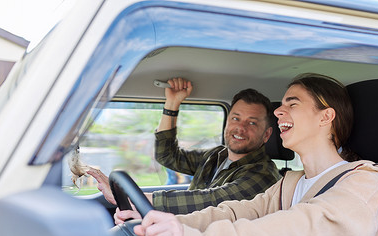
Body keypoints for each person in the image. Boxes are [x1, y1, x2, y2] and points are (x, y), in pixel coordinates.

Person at [132, 73, 378, 236]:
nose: (279, 111)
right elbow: (235, 212)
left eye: (293, 103)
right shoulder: (289, 184)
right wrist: (171, 224)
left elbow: (294, 230)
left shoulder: (362, 183)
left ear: (326, 117)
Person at [88, 77, 281, 216]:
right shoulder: (217, 155)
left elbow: (211, 200)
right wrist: (172, 104)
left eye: (252, 123)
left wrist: (134, 198)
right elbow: (168, 156)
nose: (240, 127)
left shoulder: (263, 175)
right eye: (236, 118)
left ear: (266, 135)